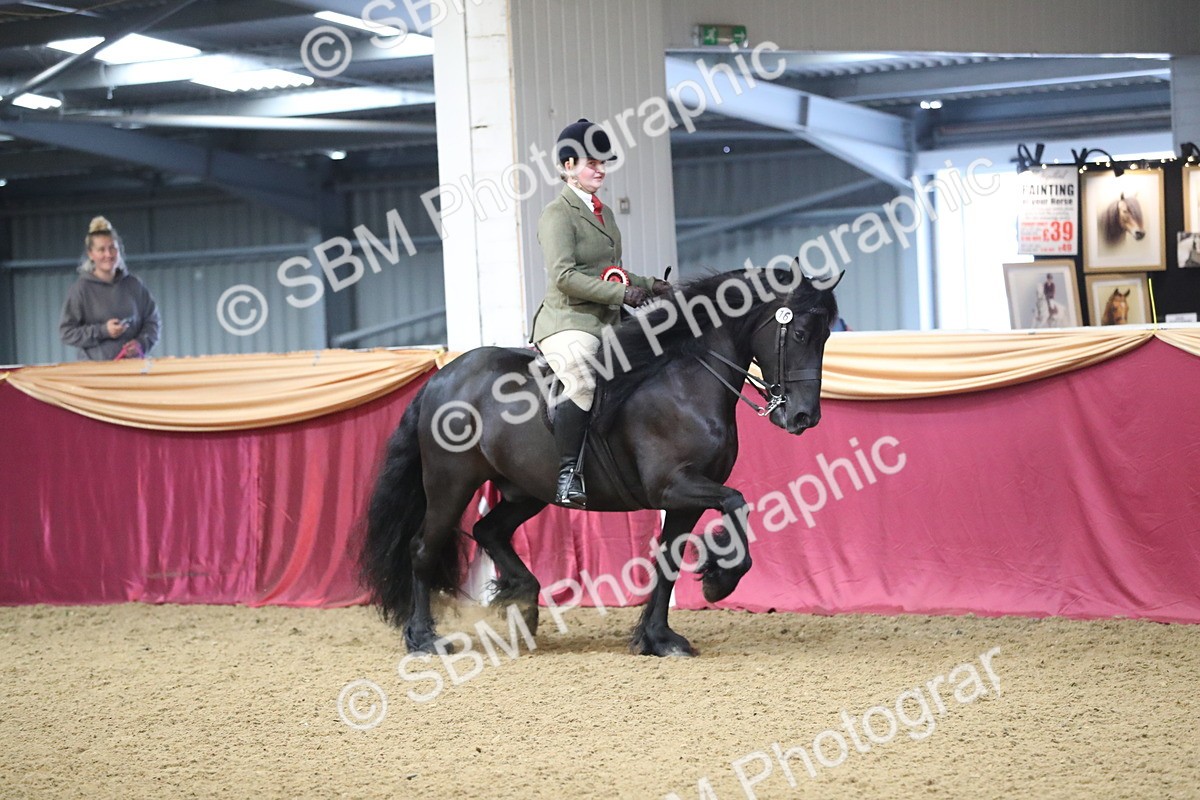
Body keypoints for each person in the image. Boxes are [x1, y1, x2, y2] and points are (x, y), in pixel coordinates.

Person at [530, 118, 670, 509]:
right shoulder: (557, 214)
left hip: (606, 318)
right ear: (567, 166)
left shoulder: (604, 213)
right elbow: (565, 277)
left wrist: (652, 284)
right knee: (585, 379)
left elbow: (611, 269)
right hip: (568, 320)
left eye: (603, 163)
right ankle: (568, 474)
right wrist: (623, 293)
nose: (600, 170)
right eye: (591, 163)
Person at [59, 216, 160, 361]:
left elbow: (153, 322)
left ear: (119, 250)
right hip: (95, 375)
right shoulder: (80, 290)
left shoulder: (135, 285)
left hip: (132, 372)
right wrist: (103, 331)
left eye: (113, 248)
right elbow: (66, 332)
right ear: (91, 254)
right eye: (101, 250)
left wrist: (141, 344)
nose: (108, 254)